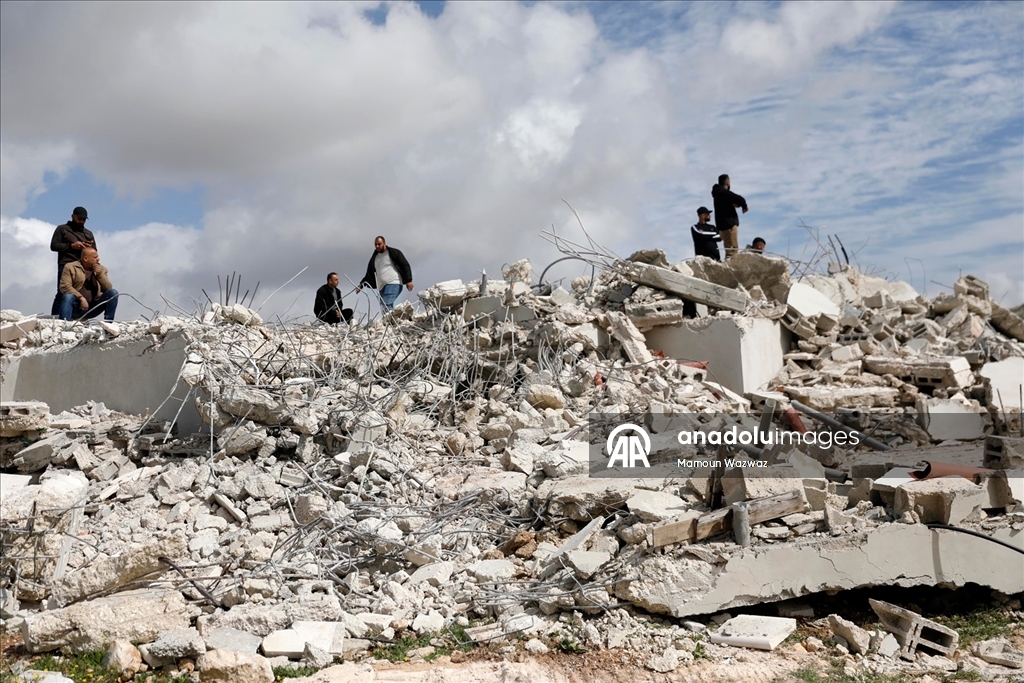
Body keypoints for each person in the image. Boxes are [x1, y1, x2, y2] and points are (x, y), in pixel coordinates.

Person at [50, 207, 96, 315]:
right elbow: (54, 246)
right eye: (79, 218)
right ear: (72, 216)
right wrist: (71, 246)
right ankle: (55, 318)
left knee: (84, 292)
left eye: (83, 219)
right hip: (66, 264)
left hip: (83, 267)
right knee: (63, 292)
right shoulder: (62, 229)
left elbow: (95, 252)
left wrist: (87, 248)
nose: (81, 221)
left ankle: (76, 316)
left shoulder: (88, 234)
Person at [58, 247, 119, 321]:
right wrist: (81, 298)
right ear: (86, 259)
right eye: (95, 257)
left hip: (93, 307)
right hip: (76, 307)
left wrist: (100, 275)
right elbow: (65, 286)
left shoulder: (102, 269)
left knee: (113, 293)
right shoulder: (70, 267)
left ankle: (108, 322)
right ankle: (64, 324)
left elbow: (108, 288)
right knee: (68, 296)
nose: (98, 259)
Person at [357, 236, 413, 311]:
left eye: (379, 244)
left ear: (384, 243)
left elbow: (404, 265)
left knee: (386, 304)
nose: (377, 246)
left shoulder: (393, 253)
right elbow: (369, 274)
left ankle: (390, 318)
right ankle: (393, 318)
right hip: (381, 288)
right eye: (375, 244)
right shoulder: (375, 258)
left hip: (393, 283)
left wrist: (408, 280)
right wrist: (361, 285)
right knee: (384, 307)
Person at [711, 174, 748, 259]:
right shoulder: (723, 193)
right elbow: (739, 199)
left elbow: (731, 201)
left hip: (722, 227)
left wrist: (735, 204)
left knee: (729, 250)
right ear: (728, 183)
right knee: (732, 252)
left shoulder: (718, 194)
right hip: (729, 226)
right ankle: (729, 267)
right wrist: (744, 206)